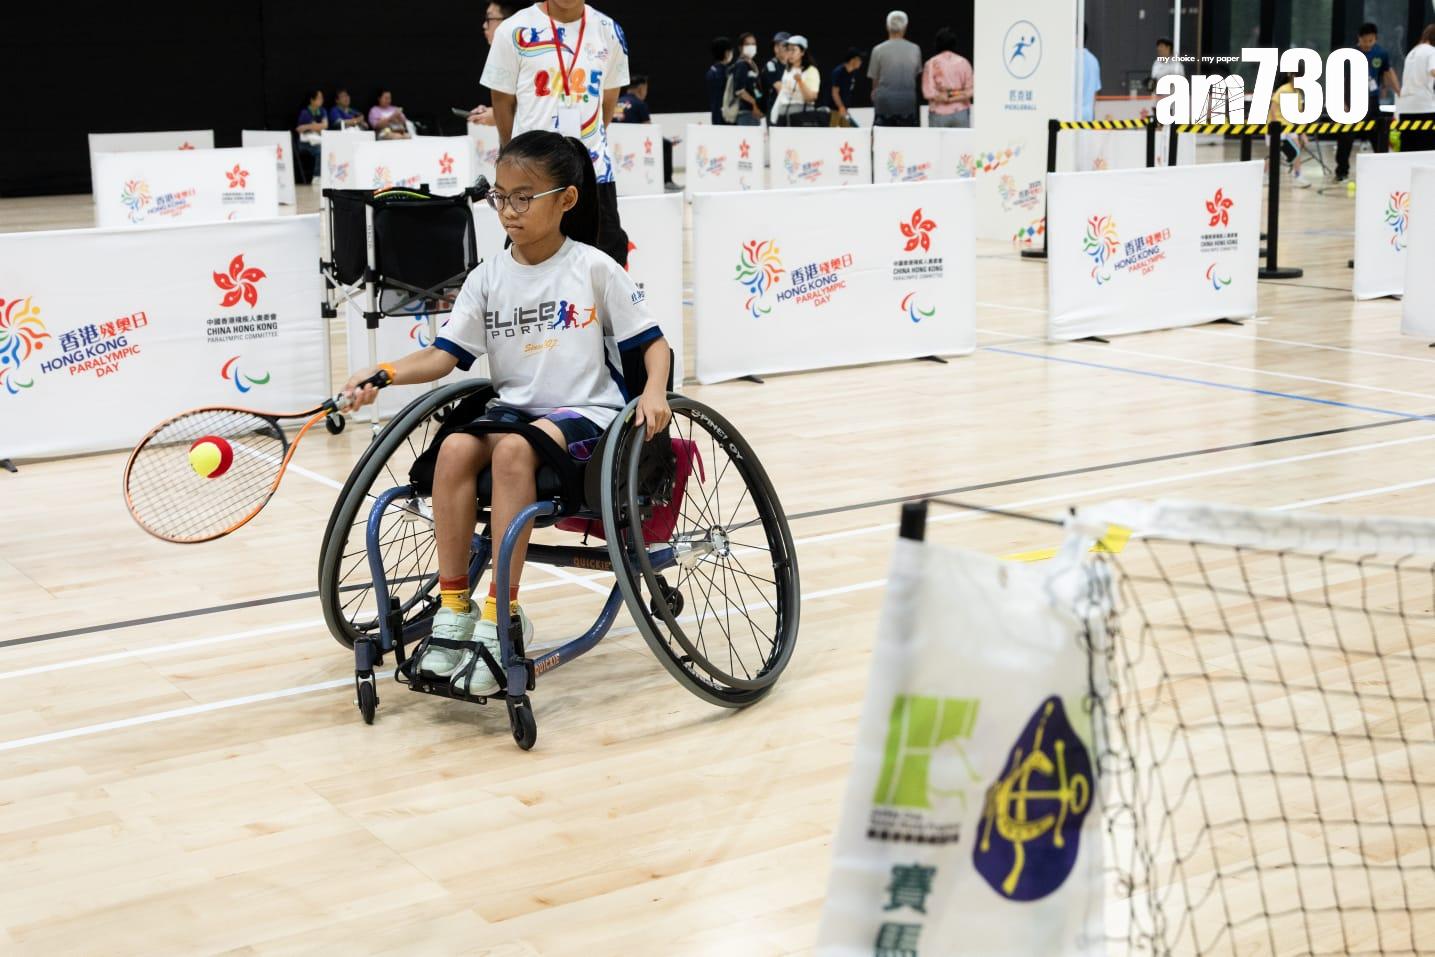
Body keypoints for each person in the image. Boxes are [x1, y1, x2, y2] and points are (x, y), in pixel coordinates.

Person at [342, 131, 671, 698]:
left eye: (523, 197)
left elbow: (653, 344)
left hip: (585, 415)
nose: (509, 211)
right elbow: (443, 356)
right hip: (514, 412)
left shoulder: (594, 268)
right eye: (500, 197)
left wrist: (656, 392)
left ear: (566, 200)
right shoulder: (488, 276)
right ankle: (453, 610)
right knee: (453, 448)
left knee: (516, 450)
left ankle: (502, 615)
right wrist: (385, 372)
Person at [482, 0, 633, 267]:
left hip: (594, 173)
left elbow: (608, 101)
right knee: (526, 262)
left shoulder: (610, 31)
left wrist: (582, 151)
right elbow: (502, 102)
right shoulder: (513, 30)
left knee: (604, 262)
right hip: (532, 175)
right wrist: (516, 156)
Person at [1333, 23, 1399, 180]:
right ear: (1359, 38)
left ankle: (1383, 170)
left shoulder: (1381, 53)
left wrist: (1398, 91)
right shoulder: (1350, 55)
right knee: (1346, 137)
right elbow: (1340, 79)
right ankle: (1342, 172)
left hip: (1372, 101)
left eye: (1371, 41)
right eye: (1365, 41)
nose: (1368, 44)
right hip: (1352, 101)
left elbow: (1387, 72)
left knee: (1378, 135)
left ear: (1375, 38)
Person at [614, 76, 677, 188]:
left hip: (616, 143)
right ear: (641, 88)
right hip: (635, 142)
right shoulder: (639, 104)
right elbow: (649, 131)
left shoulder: (616, 102)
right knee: (666, 144)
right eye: (646, 89)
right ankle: (667, 181)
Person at [468, 1, 523, 126]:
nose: (484, 25)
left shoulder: (530, 57)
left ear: (508, 21)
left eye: (489, 18)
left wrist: (500, 115)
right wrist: (494, 112)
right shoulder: (500, 55)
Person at [868, 10, 921, 126]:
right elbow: (915, 74)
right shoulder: (915, 49)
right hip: (907, 104)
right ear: (905, 27)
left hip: (884, 104)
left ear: (887, 26)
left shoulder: (878, 50)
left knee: (882, 136)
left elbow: (875, 80)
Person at [922, 29, 972, 128]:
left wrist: (945, 96)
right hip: (960, 112)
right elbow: (970, 90)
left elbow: (928, 92)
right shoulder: (964, 62)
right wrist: (954, 95)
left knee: (936, 139)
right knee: (961, 139)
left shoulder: (931, 63)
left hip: (938, 113)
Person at [1396, 24, 1435, 152]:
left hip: (1406, 108)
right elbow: (1433, 70)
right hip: (1424, 108)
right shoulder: (1431, 51)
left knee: (1408, 150)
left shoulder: (1413, 52)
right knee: (1426, 151)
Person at [1269, 73, 1312, 187]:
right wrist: (1276, 131)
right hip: (1278, 128)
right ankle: (1296, 174)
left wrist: (1303, 133)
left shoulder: (1298, 93)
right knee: (1279, 153)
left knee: (1285, 151)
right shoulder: (1283, 90)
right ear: (1291, 77)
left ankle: (1297, 174)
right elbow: (1273, 111)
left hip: (1290, 128)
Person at [770, 36, 821, 126]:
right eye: (788, 50)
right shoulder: (787, 70)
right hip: (782, 116)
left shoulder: (811, 71)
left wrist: (800, 81)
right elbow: (783, 95)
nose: (790, 53)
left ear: (802, 52)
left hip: (800, 116)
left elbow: (812, 97)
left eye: (793, 50)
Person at [731, 32, 764, 126]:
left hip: (753, 112)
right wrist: (755, 103)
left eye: (753, 44)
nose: (751, 47)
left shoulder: (752, 65)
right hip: (745, 112)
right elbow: (739, 90)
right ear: (740, 47)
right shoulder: (741, 65)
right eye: (747, 44)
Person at [295, 89, 326, 183]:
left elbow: (325, 125)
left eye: (322, 98)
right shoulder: (305, 112)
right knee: (320, 150)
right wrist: (314, 126)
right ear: (312, 100)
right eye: (319, 98)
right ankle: (317, 176)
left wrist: (308, 126)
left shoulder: (322, 111)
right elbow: (299, 129)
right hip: (304, 142)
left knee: (326, 147)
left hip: (317, 139)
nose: (321, 100)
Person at [826, 48, 864, 127]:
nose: (861, 62)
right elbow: (835, 92)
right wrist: (841, 107)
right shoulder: (838, 72)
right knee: (832, 129)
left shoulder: (853, 72)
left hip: (844, 109)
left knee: (849, 129)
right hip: (834, 109)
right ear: (852, 60)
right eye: (859, 60)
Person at [761, 32, 792, 118]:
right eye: (776, 45)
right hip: (775, 111)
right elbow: (781, 89)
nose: (778, 48)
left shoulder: (793, 66)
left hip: (790, 110)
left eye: (782, 45)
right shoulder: (771, 65)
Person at [706, 37, 735, 125]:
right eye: (730, 51)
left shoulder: (711, 71)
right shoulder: (726, 72)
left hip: (715, 116)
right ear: (726, 53)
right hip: (727, 118)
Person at [1079, 31, 1101, 122]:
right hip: (1087, 118)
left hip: (1069, 117)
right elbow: (1095, 94)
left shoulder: (1069, 59)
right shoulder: (1094, 60)